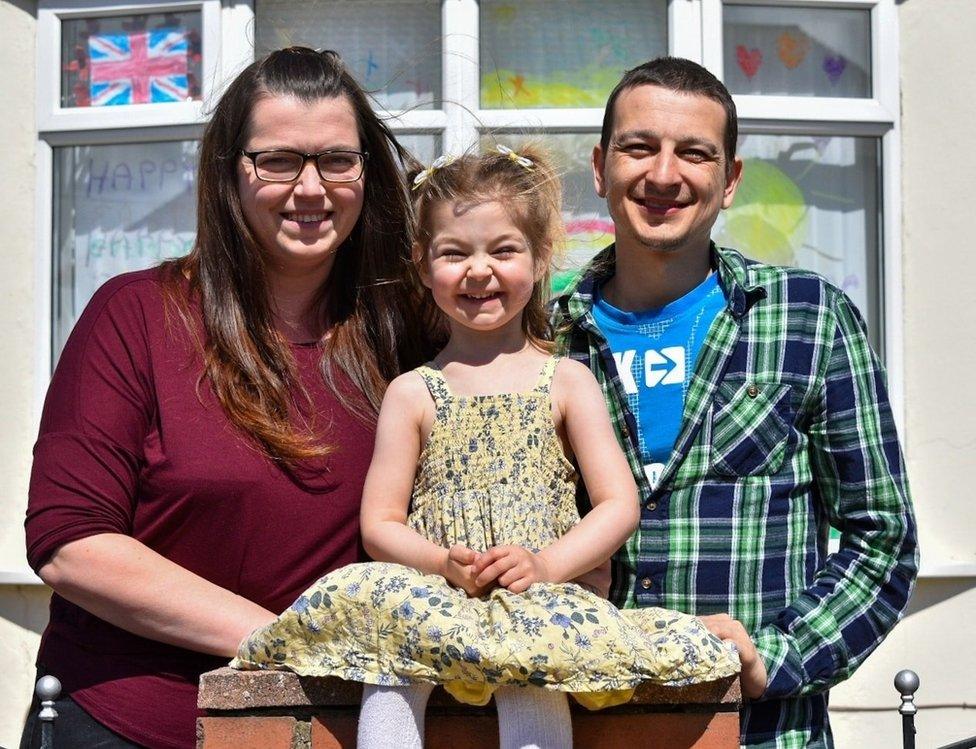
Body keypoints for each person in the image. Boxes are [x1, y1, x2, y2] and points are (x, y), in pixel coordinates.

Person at [234, 145, 740, 749]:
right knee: (389, 665)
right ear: (424, 266)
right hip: (436, 588)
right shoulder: (413, 392)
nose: (479, 270)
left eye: (503, 250)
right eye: (455, 253)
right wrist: (440, 562)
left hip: (538, 588)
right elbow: (381, 523)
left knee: (532, 669)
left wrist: (548, 565)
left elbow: (617, 505)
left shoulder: (567, 379)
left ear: (539, 256)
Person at [21, 47, 440, 749]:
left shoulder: (406, 334)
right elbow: (70, 542)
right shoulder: (136, 316)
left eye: (338, 159)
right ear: (228, 173)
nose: (312, 188)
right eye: (278, 161)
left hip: (328, 727)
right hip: (131, 725)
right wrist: (283, 638)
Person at [551, 57, 919, 748]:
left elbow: (883, 541)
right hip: (581, 731)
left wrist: (771, 657)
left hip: (764, 734)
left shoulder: (808, 319)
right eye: (640, 147)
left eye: (695, 152)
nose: (665, 174)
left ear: (730, 181)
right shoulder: (543, 340)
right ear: (600, 168)